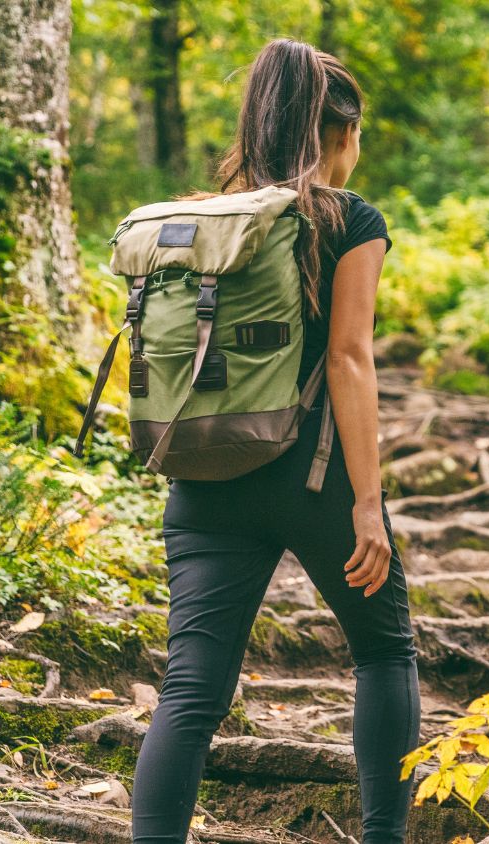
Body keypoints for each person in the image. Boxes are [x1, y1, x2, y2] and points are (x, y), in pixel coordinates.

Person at [128, 38, 416, 844]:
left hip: (205, 477)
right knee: (385, 653)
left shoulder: (203, 222)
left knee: (189, 691)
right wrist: (368, 505)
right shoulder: (347, 218)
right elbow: (350, 360)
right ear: (339, 133)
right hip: (313, 480)